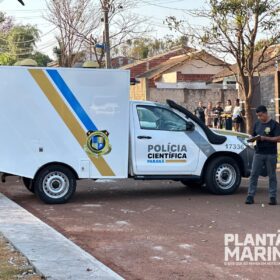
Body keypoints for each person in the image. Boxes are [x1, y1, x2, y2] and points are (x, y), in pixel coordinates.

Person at [245, 105, 280, 205]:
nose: (259, 118)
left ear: (265, 113)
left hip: (271, 154)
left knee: (272, 176)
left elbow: (278, 138)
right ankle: (250, 196)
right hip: (259, 153)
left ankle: (272, 197)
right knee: (253, 175)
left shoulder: (274, 124)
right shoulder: (257, 124)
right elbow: (253, 134)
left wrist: (265, 138)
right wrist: (251, 139)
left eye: (260, 115)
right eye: (258, 116)